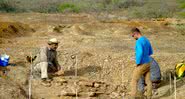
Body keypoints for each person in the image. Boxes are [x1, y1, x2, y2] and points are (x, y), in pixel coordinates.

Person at [130, 28, 153, 98]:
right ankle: (149, 96)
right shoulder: (146, 40)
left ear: (136, 33)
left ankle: (133, 97)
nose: (133, 38)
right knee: (148, 81)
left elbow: (140, 53)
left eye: (132, 36)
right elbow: (151, 52)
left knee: (134, 80)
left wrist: (137, 62)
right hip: (148, 62)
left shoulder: (139, 42)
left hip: (142, 64)